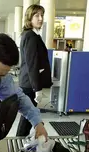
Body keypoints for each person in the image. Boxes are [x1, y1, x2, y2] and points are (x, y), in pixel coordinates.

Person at [16, 4, 53, 137]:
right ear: (29, 18)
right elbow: (32, 64)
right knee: (28, 117)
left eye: (42, 15)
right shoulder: (31, 36)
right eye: (36, 15)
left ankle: (19, 140)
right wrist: (37, 88)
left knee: (27, 116)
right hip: (30, 84)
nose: (40, 18)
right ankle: (19, 141)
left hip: (28, 82)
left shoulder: (32, 35)